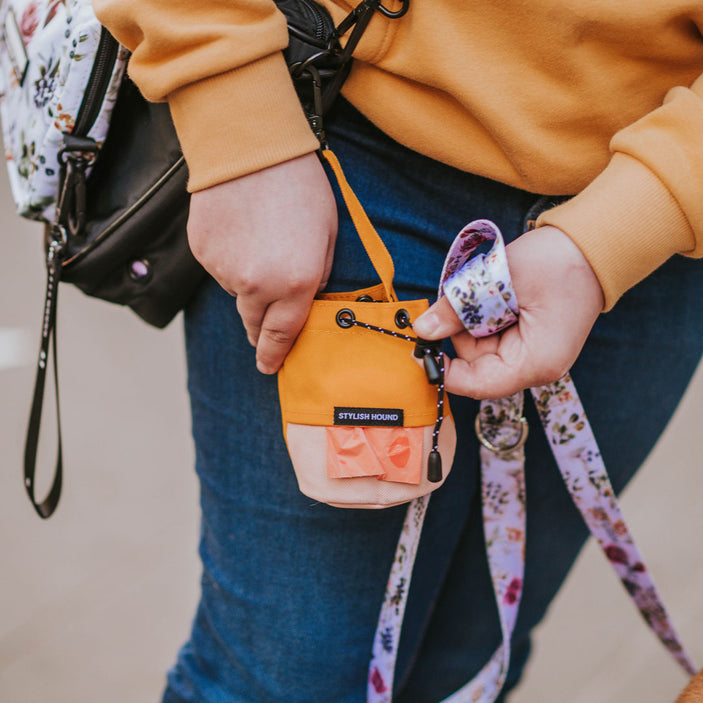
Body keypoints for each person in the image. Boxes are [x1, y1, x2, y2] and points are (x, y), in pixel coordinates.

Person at [92, 1, 703, 701]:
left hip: (658, 218)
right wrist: (236, 120)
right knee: (287, 682)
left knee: (468, 662)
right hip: (349, 137)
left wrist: (628, 225)